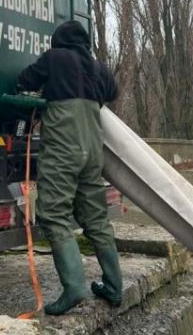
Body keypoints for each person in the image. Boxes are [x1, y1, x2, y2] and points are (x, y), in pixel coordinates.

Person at [17, 20, 121, 315]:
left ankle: (74, 288)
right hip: (92, 152)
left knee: (54, 214)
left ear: (58, 41)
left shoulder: (55, 58)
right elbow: (112, 91)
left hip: (64, 151)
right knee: (96, 218)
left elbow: (25, 80)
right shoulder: (98, 67)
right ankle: (113, 287)